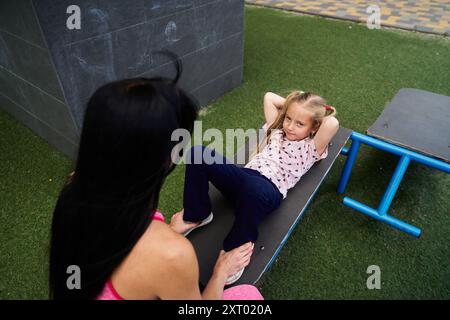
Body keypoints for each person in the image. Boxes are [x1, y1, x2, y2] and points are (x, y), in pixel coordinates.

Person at [48, 68, 260, 299]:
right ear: (167, 158)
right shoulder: (172, 255)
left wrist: (168, 231)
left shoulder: (73, 190)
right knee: (249, 296)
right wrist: (220, 272)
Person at [170, 90, 339, 284]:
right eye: (288, 118)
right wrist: (295, 103)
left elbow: (332, 123)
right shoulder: (276, 130)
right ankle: (197, 214)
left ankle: (235, 248)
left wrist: (311, 110)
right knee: (198, 153)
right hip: (244, 178)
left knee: (254, 191)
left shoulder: (311, 148)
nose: (290, 126)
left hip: (267, 191)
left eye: (300, 123)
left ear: (314, 127)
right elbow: (268, 96)